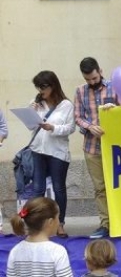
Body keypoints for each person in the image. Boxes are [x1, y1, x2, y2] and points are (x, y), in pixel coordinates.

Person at [73, 57, 117, 239]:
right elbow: (77, 116)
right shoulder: (80, 91)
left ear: (100, 71)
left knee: (118, 186)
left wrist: (115, 109)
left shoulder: (115, 87)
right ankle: (105, 225)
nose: (91, 82)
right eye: (88, 79)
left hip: (116, 146)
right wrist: (90, 126)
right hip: (92, 148)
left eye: (94, 78)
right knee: (100, 188)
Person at [29, 71, 76, 238]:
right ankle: (37, 225)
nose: (40, 90)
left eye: (43, 86)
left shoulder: (66, 105)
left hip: (57, 152)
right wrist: (31, 113)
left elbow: (71, 128)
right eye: (38, 87)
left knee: (59, 189)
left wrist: (53, 128)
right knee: (38, 189)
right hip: (38, 150)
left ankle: (60, 224)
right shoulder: (36, 104)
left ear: (53, 85)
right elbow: (31, 127)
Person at [6, 197, 73, 277]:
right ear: (50, 222)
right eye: (58, 217)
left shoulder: (15, 251)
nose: (59, 221)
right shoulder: (58, 252)